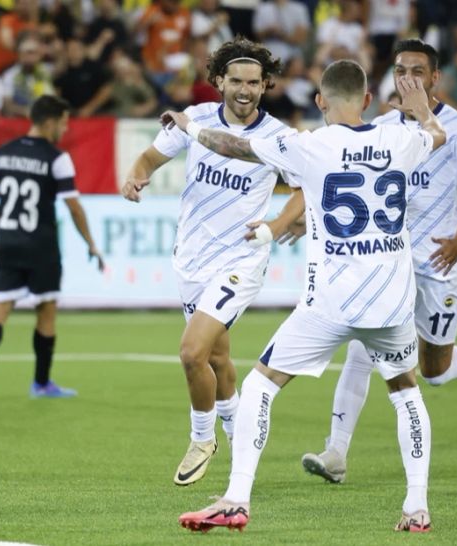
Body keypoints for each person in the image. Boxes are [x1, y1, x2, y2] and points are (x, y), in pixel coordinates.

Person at [173, 59, 446, 532]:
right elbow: (437, 136)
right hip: (391, 302)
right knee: (405, 393)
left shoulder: (308, 146)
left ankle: (237, 498)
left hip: (331, 304)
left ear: (320, 102)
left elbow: (234, 145)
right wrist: (422, 111)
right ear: (366, 101)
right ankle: (416, 508)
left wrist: (190, 128)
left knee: (258, 386)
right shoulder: (401, 138)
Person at [300, 38, 457, 486]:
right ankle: (336, 452)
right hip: (391, 261)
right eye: (401, 71)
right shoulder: (383, 127)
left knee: (434, 371)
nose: (408, 79)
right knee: (361, 349)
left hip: (442, 262)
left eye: (417, 72)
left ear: (434, 78)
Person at [121, 38, 294, 487]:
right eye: (235, 80)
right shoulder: (193, 118)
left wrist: (276, 226)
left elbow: (305, 188)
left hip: (241, 257)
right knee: (217, 357)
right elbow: (149, 157)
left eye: (253, 83)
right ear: (218, 80)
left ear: (265, 86)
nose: (244, 90)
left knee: (191, 351)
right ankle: (238, 430)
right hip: (192, 259)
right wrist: (137, 175)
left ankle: (202, 438)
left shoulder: (278, 137)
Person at [0, 95, 104, 401]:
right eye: (64, 123)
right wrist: (91, 244)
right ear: (50, 121)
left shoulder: (2, 153)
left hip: (8, 242)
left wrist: (0, 231)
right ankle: (41, 383)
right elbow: (74, 208)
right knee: (46, 312)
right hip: (41, 246)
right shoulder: (56, 158)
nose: (65, 129)